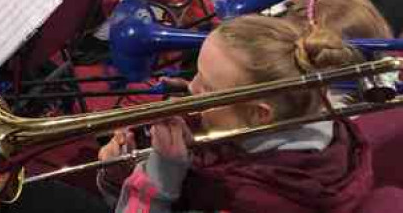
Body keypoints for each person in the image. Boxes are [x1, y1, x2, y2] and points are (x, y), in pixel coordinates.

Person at [94, 14, 374, 212]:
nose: (192, 87)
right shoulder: (326, 121)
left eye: (206, 85)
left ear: (259, 115)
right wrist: (122, 173)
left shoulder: (247, 198)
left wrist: (159, 173)